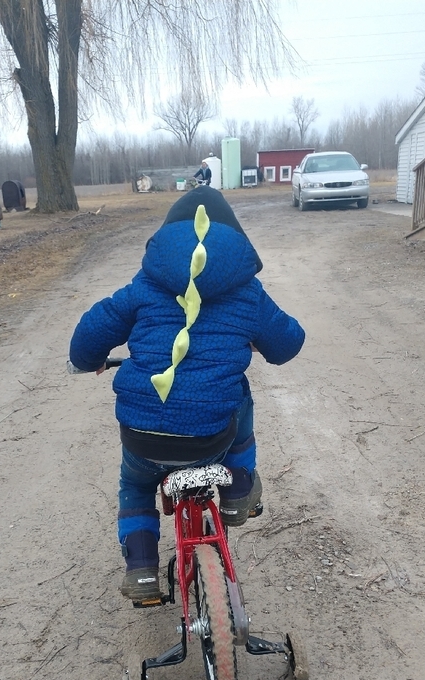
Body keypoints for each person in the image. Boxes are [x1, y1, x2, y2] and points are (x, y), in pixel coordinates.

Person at [68, 188, 305, 602]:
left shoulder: (144, 285)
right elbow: (287, 345)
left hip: (142, 440)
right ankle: (236, 491)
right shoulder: (248, 292)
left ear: (167, 237)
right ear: (237, 239)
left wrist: (89, 360)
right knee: (239, 393)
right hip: (210, 440)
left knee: (136, 485)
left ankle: (141, 570)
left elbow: (92, 330)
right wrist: (253, 337)